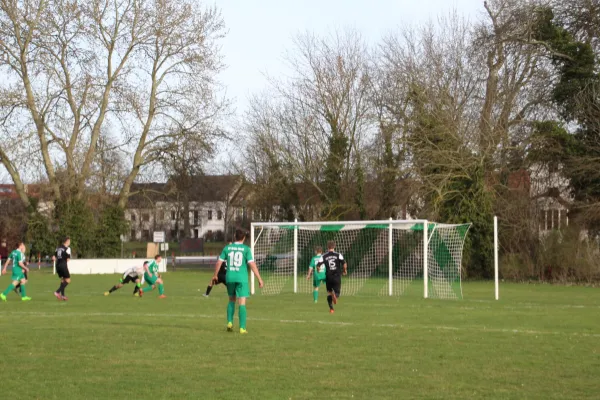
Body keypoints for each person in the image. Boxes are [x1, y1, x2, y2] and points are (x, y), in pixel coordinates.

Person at [213, 229, 264, 334]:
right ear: (244, 238)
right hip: (241, 278)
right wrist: (259, 278)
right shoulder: (246, 249)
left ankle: (230, 323)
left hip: (230, 277)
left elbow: (219, 262)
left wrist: (215, 275)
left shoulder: (227, 248)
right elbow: (252, 265)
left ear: (235, 237)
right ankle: (242, 328)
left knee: (231, 300)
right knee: (242, 302)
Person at [317, 240, 347, 314]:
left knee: (329, 293)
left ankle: (331, 309)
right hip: (337, 276)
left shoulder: (324, 256)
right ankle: (335, 296)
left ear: (328, 247)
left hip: (328, 277)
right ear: (334, 246)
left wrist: (318, 270)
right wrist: (344, 270)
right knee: (337, 293)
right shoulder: (338, 255)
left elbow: (318, 265)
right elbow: (344, 264)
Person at [53, 237, 71, 301]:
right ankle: (57, 292)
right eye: (69, 241)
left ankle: (63, 296)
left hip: (58, 266)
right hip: (63, 266)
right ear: (67, 241)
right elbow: (68, 259)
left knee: (63, 280)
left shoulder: (57, 248)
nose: (70, 242)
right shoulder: (68, 249)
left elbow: (54, 257)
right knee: (68, 280)